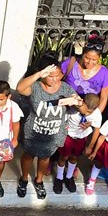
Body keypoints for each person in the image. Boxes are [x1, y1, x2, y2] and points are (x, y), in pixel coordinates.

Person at [16, 59, 88, 199]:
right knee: (28, 155)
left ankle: (39, 180)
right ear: (43, 74)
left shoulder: (66, 89)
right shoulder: (35, 86)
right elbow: (20, 88)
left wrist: (78, 102)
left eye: (57, 75)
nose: (54, 79)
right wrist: (39, 74)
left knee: (45, 157)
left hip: (53, 133)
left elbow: (85, 110)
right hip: (33, 131)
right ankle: (24, 179)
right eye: (50, 75)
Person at [54, 91, 101, 194]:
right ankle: (59, 177)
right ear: (82, 103)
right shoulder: (72, 109)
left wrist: (90, 146)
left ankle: (69, 177)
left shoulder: (97, 114)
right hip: (68, 136)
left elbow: (97, 130)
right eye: (86, 111)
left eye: (90, 112)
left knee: (74, 157)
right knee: (63, 157)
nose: (87, 114)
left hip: (81, 138)